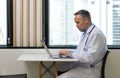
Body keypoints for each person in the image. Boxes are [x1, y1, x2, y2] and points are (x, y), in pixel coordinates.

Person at [57, 10, 108, 78]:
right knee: (60, 68)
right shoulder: (87, 33)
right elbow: (82, 51)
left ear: (86, 20)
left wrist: (71, 54)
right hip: (83, 67)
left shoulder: (96, 34)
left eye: (78, 22)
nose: (76, 26)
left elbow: (90, 58)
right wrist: (69, 52)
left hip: (90, 71)